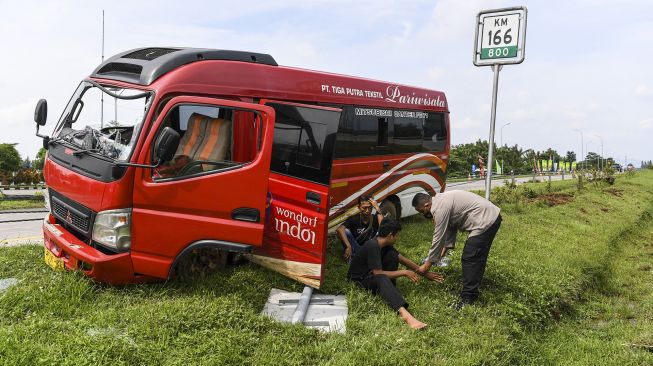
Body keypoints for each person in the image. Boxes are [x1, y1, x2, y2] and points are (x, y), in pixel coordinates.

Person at [412, 191, 502, 310]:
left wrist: (427, 265)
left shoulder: (439, 208)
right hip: (489, 216)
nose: (425, 215)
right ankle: (471, 289)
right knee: (476, 256)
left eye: (423, 212)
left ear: (427, 205)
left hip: (485, 219)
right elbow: (450, 229)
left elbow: (438, 238)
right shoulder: (440, 201)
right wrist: (442, 254)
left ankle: (468, 298)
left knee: (471, 257)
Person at [347, 218, 443, 329]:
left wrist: (425, 273)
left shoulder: (384, 244)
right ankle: (406, 315)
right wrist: (403, 272)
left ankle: (389, 291)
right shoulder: (373, 246)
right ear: (390, 235)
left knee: (392, 256)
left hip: (370, 274)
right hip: (359, 280)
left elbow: (403, 259)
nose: (398, 238)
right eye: (397, 235)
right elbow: (378, 274)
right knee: (381, 278)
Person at [336, 195, 384, 262]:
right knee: (345, 231)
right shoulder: (354, 219)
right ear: (359, 207)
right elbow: (340, 229)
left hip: (370, 249)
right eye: (364, 208)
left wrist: (377, 208)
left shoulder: (375, 218)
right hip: (356, 248)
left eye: (370, 208)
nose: (367, 210)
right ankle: (352, 257)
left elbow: (384, 227)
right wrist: (348, 246)